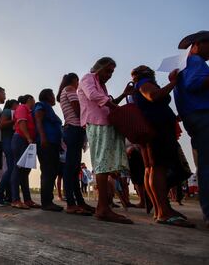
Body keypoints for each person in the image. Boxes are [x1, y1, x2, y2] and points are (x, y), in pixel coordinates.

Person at [131, 65, 194, 228]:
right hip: (157, 130)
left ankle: (160, 210)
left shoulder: (138, 85)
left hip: (154, 129)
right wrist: (173, 83)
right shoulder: (144, 82)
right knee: (158, 168)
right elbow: (153, 95)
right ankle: (163, 212)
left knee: (152, 169)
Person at [78, 57, 133, 224]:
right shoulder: (88, 78)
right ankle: (103, 208)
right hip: (97, 123)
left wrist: (124, 95)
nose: (110, 75)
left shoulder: (102, 85)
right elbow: (93, 96)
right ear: (99, 68)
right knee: (102, 164)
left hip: (105, 123)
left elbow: (107, 103)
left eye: (112, 72)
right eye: (108, 71)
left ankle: (104, 206)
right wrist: (116, 107)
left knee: (106, 165)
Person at [174, 30, 209, 228]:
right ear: (197, 45)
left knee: (204, 165)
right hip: (203, 116)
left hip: (194, 118)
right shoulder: (196, 62)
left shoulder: (181, 68)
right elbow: (195, 84)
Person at [57, 73, 95, 215]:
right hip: (74, 129)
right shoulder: (69, 89)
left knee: (73, 169)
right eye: (78, 80)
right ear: (74, 80)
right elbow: (77, 108)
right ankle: (71, 204)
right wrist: (86, 120)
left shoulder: (64, 91)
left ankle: (80, 202)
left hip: (72, 130)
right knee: (70, 169)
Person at [34, 89, 63, 212]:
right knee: (47, 171)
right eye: (52, 95)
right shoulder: (41, 105)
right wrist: (43, 138)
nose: (54, 97)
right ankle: (46, 202)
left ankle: (49, 200)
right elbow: (38, 120)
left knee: (52, 171)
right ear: (47, 96)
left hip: (54, 144)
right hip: (47, 143)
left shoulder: (50, 109)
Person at [9, 95, 40, 209]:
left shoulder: (30, 111)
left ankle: (27, 200)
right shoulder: (22, 108)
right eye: (33, 100)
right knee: (18, 168)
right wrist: (28, 138)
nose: (34, 102)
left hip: (26, 141)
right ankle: (15, 199)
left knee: (26, 170)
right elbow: (22, 123)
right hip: (21, 139)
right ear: (29, 100)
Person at [0, 99, 19, 206]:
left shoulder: (9, 112)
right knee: (12, 168)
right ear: (13, 105)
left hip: (9, 142)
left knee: (12, 169)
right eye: (17, 104)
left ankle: (6, 195)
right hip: (7, 142)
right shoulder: (8, 111)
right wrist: (14, 120)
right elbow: (1, 124)